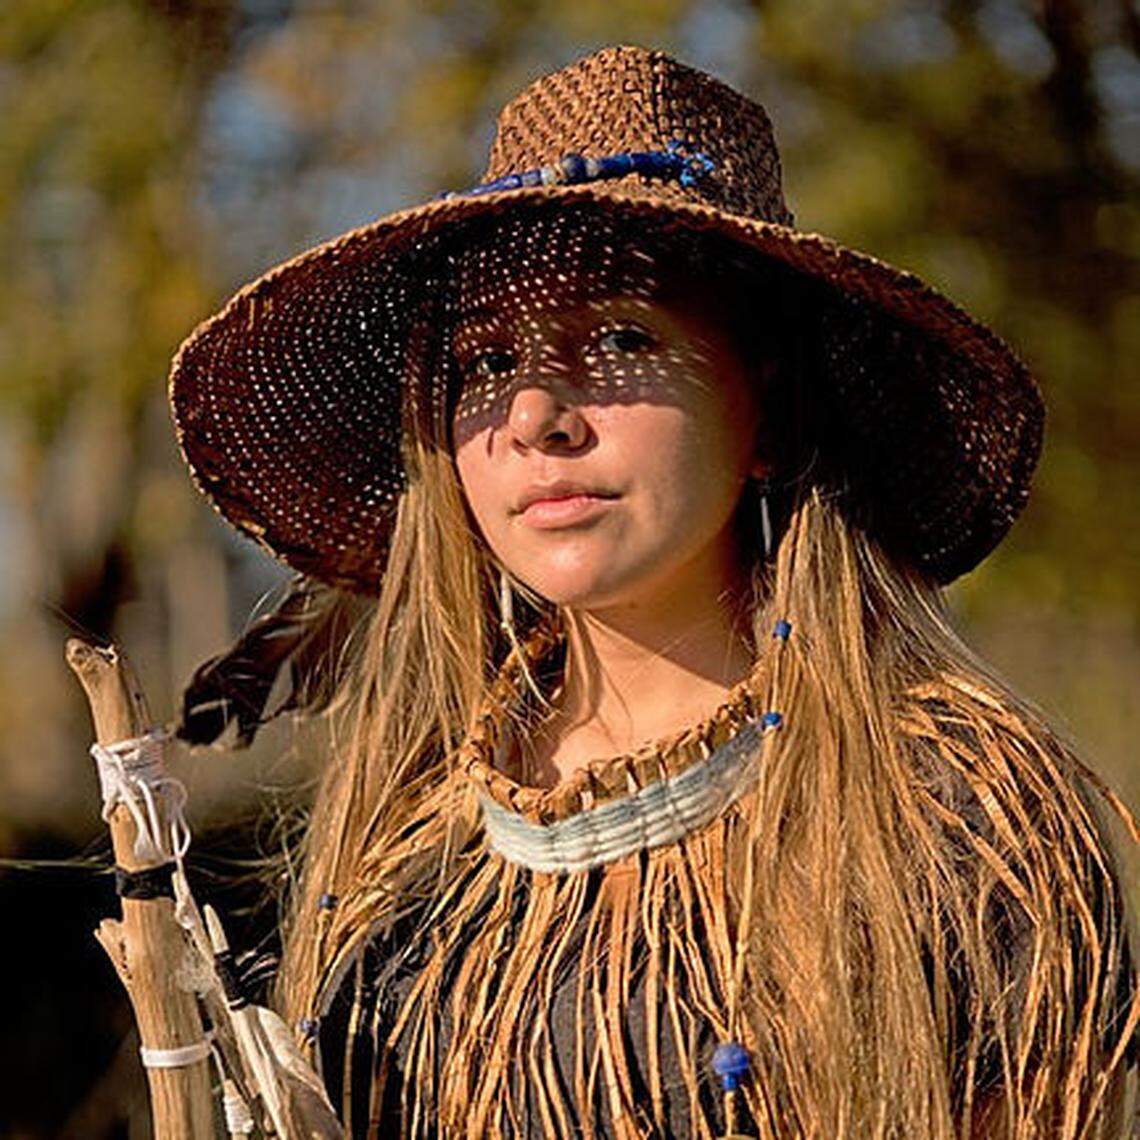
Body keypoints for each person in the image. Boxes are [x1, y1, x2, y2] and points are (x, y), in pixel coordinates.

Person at [168, 44, 1140, 1138]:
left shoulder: (961, 819)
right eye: (486, 365)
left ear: (768, 413)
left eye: (623, 339)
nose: (537, 418)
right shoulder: (399, 850)